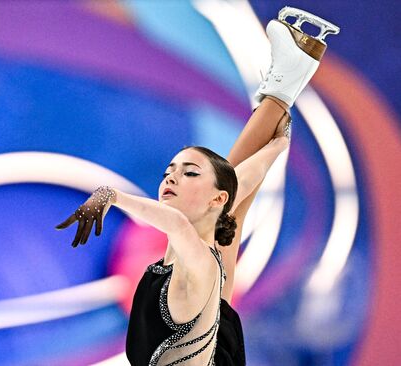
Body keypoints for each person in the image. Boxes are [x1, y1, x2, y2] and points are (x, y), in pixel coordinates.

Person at [55, 7, 339, 366]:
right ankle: (286, 82)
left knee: (237, 198)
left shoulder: (201, 248)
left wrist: (275, 149)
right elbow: (197, 209)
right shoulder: (200, 259)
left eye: (185, 172)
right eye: (177, 171)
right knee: (234, 197)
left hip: (210, 341)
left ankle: (287, 81)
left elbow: (237, 184)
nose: (171, 177)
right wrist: (111, 196)